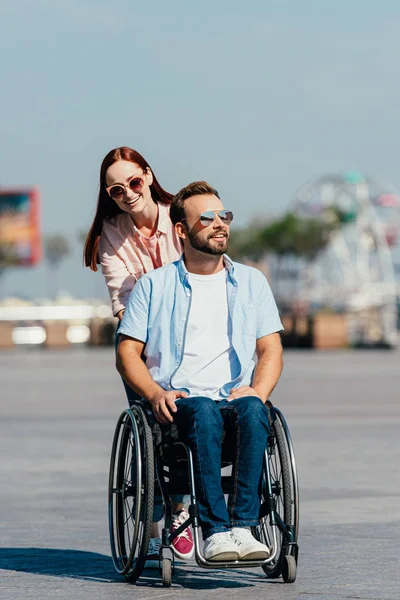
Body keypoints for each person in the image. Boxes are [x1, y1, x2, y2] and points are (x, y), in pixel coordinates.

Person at [117, 181, 284, 561]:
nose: (220, 224)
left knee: (259, 409)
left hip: (235, 399)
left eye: (224, 216)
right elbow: (127, 352)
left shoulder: (252, 282)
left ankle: (243, 527)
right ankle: (215, 532)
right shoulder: (153, 286)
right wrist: (155, 394)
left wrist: (258, 390)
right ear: (181, 229)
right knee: (204, 411)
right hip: (180, 403)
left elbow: (270, 348)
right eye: (207, 218)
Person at [83, 146, 193, 562]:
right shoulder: (111, 232)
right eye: (116, 189)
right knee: (148, 423)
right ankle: (149, 523)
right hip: (142, 333)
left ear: (148, 175)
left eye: (134, 182)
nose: (128, 193)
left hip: (190, 332)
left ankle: (181, 512)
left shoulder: (179, 214)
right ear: (109, 196)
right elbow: (123, 295)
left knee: (184, 422)